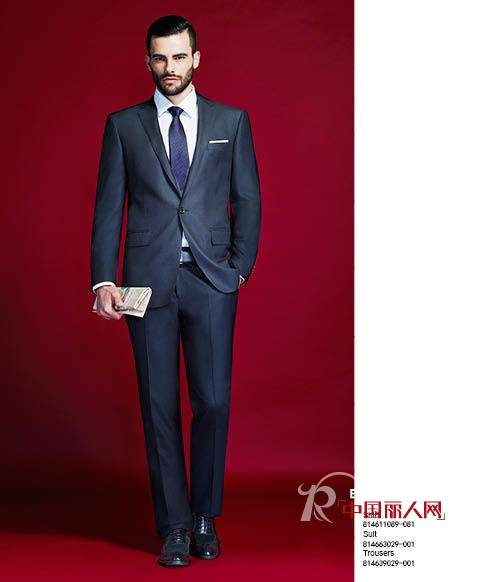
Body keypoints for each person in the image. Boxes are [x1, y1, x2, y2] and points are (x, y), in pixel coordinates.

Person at [90, 15, 261, 568]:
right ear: (147, 61)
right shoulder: (124, 125)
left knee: (212, 401)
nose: (170, 67)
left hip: (211, 280)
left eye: (179, 56)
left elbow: (247, 198)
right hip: (146, 282)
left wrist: (238, 270)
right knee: (158, 405)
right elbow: (109, 207)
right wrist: (104, 278)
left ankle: (205, 516)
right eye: (160, 57)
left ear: (196, 58)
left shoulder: (231, 122)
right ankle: (176, 528)